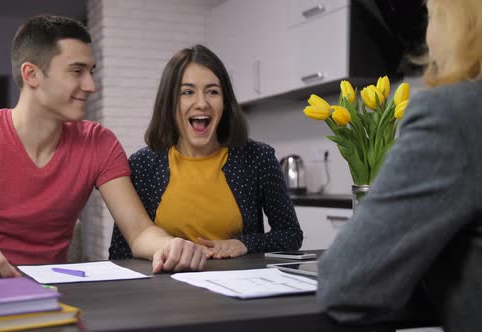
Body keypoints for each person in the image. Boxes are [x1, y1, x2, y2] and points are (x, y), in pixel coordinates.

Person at [0, 15, 208, 281]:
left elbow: (139, 233)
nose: (91, 86)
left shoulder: (99, 142)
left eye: (91, 72)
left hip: (48, 293)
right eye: (77, 71)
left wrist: (168, 246)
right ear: (32, 74)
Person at [317, 0, 482, 330]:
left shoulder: (454, 113)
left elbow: (346, 284)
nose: (427, 35)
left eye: (431, 16)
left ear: (459, 27)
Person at [109, 45, 303, 260]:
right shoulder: (143, 164)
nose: (202, 103)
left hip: (239, 285)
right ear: (170, 102)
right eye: (187, 92)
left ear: (225, 103)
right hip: (164, 287)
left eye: (213, 91)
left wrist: (244, 244)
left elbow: (290, 235)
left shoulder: (258, 158)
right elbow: (121, 251)